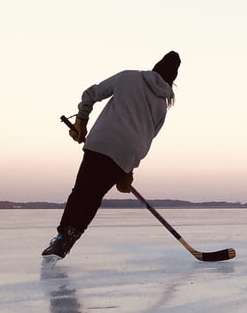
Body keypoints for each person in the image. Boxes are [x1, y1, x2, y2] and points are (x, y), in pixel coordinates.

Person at [42, 51, 180, 263]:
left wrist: (81, 120)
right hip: (125, 156)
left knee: (81, 192)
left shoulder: (128, 77)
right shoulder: (162, 104)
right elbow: (148, 137)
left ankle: (62, 238)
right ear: (172, 80)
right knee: (94, 196)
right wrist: (129, 169)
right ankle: (70, 238)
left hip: (102, 142)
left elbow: (91, 94)